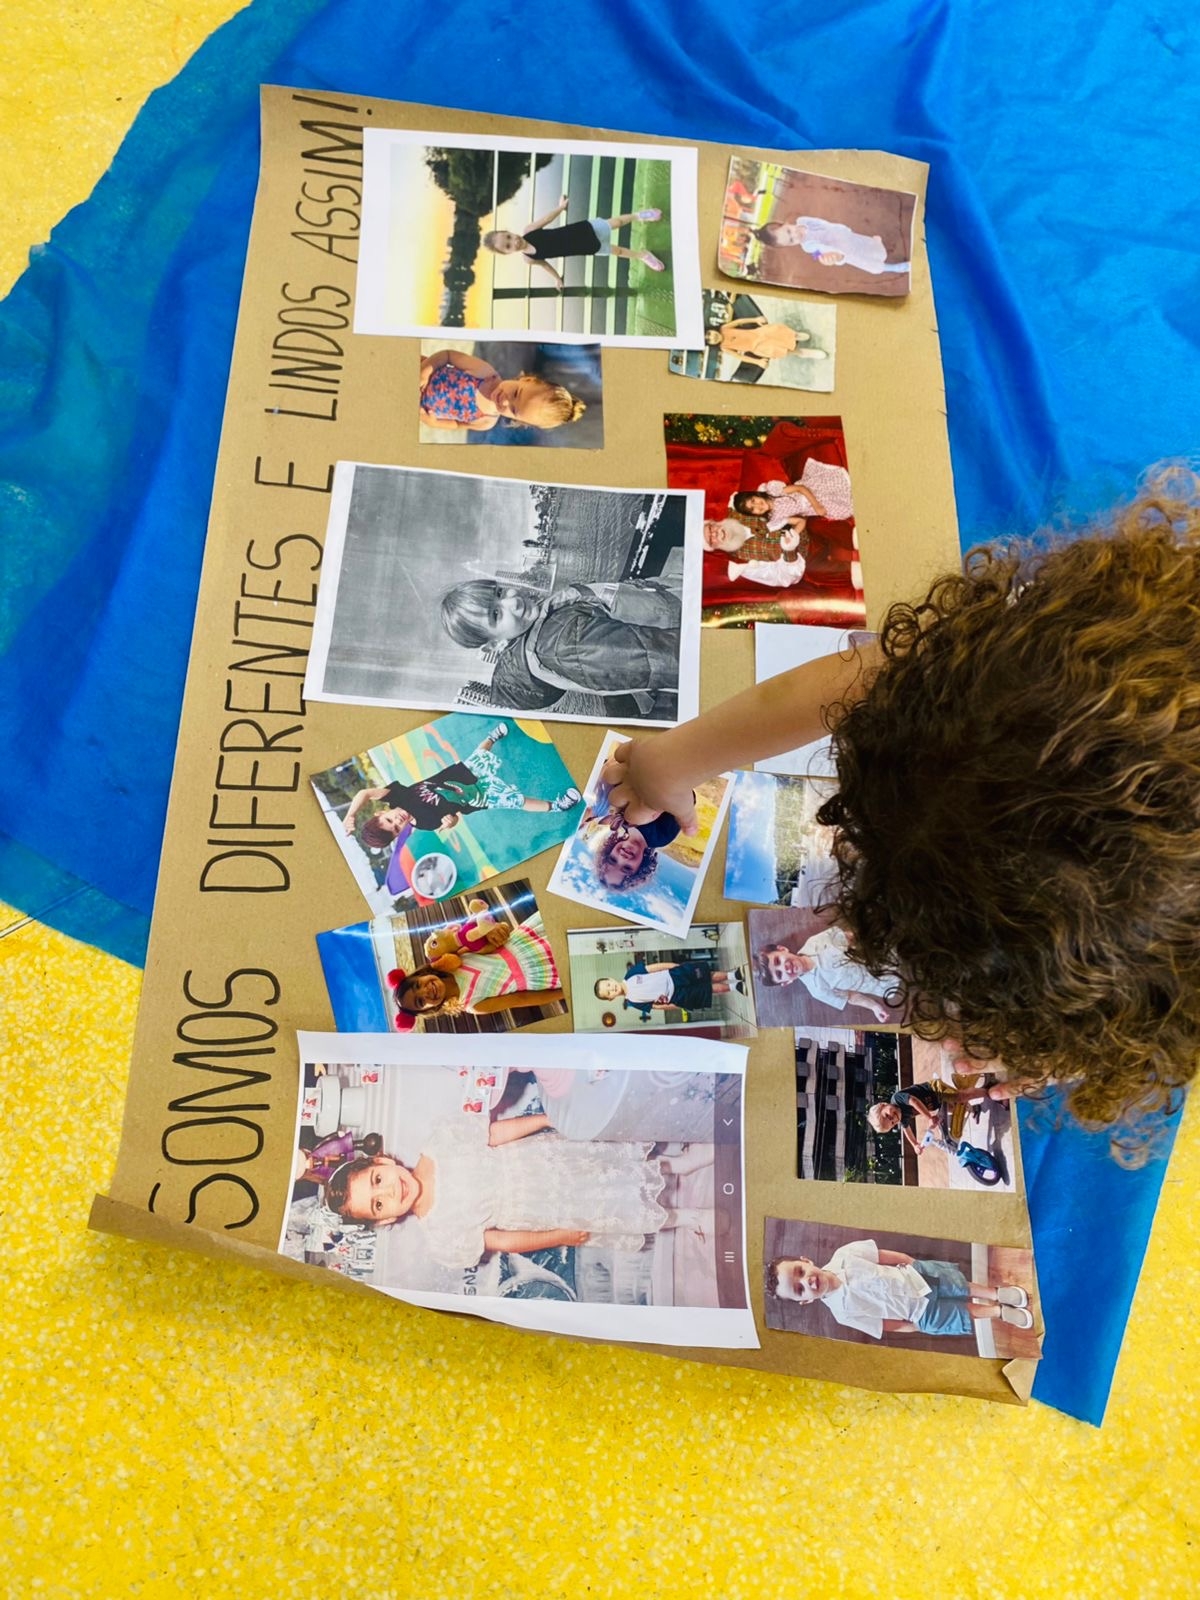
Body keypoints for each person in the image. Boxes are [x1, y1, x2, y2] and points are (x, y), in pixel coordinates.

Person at [592, 468, 1200, 1152]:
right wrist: (671, 761)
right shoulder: (1039, 673)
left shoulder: (1071, 671)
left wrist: (1048, 1038)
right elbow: (881, 675)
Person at [323, 1118, 715, 1267]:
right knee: (616, 1207)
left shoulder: (440, 1142)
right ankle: (688, 1218)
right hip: (544, 1210)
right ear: (387, 1219)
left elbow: (495, 1134)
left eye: (378, 1181)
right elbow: (505, 1242)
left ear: (382, 1162)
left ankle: (678, 1164)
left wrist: (544, 1119)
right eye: (379, 1204)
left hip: (546, 1161)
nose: (391, 1191)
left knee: (613, 1168)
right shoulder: (441, 1238)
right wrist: (558, 1235)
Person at [440, 578, 682, 718]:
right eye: (496, 614)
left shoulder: (548, 622)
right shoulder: (565, 644)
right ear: (495, 643)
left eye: (500, 592)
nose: (512, 601)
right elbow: (664, 660)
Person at [342, 723, 580, 851]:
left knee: (479, 754)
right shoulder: (424, 824)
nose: (397, 821)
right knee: (517, 801)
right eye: (396, 829)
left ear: (381, 812)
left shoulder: (398, 797)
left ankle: (492, 737)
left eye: (389, 819)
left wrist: (351, 815)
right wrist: (451, 822)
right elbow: (454, 817)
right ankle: (558, 806)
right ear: (398, 835)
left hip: (460, 775)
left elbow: (365, 793)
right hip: (476, 798)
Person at [766, 1241, 1035, 1334]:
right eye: (799, 1289)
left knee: (958, 1286)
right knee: (959, 1314)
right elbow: (882, 1325)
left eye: (800, 1272)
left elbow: (881, 1255)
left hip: (915, 1277)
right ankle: (998, 1312)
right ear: (805, 1301)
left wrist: (910, 1261)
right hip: (917, 1313)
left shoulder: (844, 1255)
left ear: (806, 1261)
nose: (807, 1281)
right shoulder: (842, 1313)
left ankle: (995, 1294)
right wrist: (912, 1327)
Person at [387, 907, 565, 1026]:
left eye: (417, 985)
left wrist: (494, 931)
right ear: (429, 1010)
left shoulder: (458, 958)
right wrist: (563, 993)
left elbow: (489, 943)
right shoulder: (474, 1005)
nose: (425, 992)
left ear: (421, 974)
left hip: (526, 940)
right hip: (543, 972)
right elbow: (522, 999)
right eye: (420, 1001)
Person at [483, 194, 666, 281]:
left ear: (509, 232)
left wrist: (561, 207)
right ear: (508, 253)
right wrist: (557, 278)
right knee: (617, 251)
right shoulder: (528, 259)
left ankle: (639, 216)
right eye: (508, 246)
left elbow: (547, 219)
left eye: (508, 237)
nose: (514, 241)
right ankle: (643, 256)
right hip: (584, 247)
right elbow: (545, 265)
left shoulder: (529, 230)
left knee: (616, 222)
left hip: (583, 230)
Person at [755, 925, 898, 1023]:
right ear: (786, 982)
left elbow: (851, 937)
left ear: (782, 949)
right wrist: (874, 1007)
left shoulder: (816, 941)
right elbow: (850, 996)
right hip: (889, 985)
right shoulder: (817, 990)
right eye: (779, 974)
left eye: (778, 961)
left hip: (891, 950)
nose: (785, 968)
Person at [753, 217, 910, 276]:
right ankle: (895, 268)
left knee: (869, 245)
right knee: (871, 264)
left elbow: (823, 223)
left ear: (786, 223)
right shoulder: (808, 246)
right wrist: (827, 258)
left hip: (844, 236)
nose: (795, 235)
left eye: (789, 231)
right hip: (843, 250)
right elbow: (818, 254)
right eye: (791, 240)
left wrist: (840, 229)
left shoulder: (803, 221)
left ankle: (876, 242)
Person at [595, 958, 745, 1018]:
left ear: (610, 979)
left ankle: (733, 975)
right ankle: (735, 987)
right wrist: (676, 1005)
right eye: (608, 992)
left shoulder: (631, 974)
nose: (611, 989)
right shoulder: (633, 1002)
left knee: (707, 975)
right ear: (610, 999)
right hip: (676, 996)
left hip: (674, 975)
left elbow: (654, 967)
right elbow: (657, 1007)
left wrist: (675, 967)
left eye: (608, 985)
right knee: (709, 991)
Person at [731, 461, 855, 529]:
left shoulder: (773, 492)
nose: (758, 506)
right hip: (810, 509)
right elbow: (800, 521)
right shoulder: (775, 517)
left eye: (753, 501)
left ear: (756, 494)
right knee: (843, 509)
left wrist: (816, 505)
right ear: (754, 515)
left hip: (811, 493)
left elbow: (801, 488)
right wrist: (793, 536)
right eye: (753, 509)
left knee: (839, 488)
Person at [581, 809, 680, 892]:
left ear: (609, 851)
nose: (622, 858)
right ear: (641, 867)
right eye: (627, 868)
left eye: (613, 859)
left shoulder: (621, 821)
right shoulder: (662, 836)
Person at [705, 317, 828, 370]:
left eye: (709, 333)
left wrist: (755, 319)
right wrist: (757, 362)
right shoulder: (724, 347)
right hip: (758, 347)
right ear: (711, 344)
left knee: (777, 331)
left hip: (758, 333)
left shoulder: (724, 328)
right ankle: (805, 353)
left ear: (711, 329)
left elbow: (739, 321)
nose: (712, 337)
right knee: (783, 350)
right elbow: (740, 357)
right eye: (709, 339)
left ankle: (795, 335)